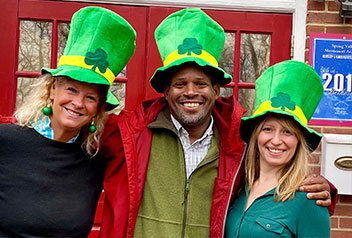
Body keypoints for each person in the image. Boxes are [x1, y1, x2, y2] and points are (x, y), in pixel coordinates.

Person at [99, 8, 337, 238]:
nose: (190, 92)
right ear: (166, 91)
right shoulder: (130, 134)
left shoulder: (237, 142)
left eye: (201, 84)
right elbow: (74, 147)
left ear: (215, 90)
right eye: (180, 84)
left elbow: (278, 172)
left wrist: (324, 188)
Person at [0, 6, 136, 237]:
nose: (78, 102)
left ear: (98, 109)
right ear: (53, 89)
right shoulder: (6, 141)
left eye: (90, 97)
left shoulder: (96, 159)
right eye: (71, 89)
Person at [225, 60, 331, 237]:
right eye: (268, 129)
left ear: (299, 141)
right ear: (256, 136)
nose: (276, 140)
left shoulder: (310, 200)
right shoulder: (238, 187)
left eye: (287, 132)